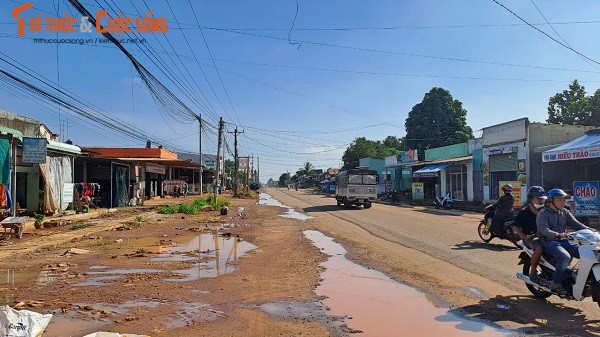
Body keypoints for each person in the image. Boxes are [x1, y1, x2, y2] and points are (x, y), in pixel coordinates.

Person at [537, 188, 591, 295]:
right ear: (551, 200)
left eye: (564, 200)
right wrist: (557, 234)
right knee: (564, 256)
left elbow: (577, 225)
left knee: (587, 253)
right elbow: (544, 230)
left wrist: (591, 231)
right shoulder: (543, 213)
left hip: (564, 240)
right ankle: (556, 283)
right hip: (548, 241)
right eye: (559, 199)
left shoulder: (565, 212)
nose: (563, 202)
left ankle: (579, 278)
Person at [512, 186, 546, 283]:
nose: (541, 201)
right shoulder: (524, 212)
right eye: (539, 199)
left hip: (545, 236)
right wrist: (523, 236)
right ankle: (533, 271)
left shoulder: (545, 211)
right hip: (531, 239)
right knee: (539, 247)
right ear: (531, 199)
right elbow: (515, 226)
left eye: (542, 199)